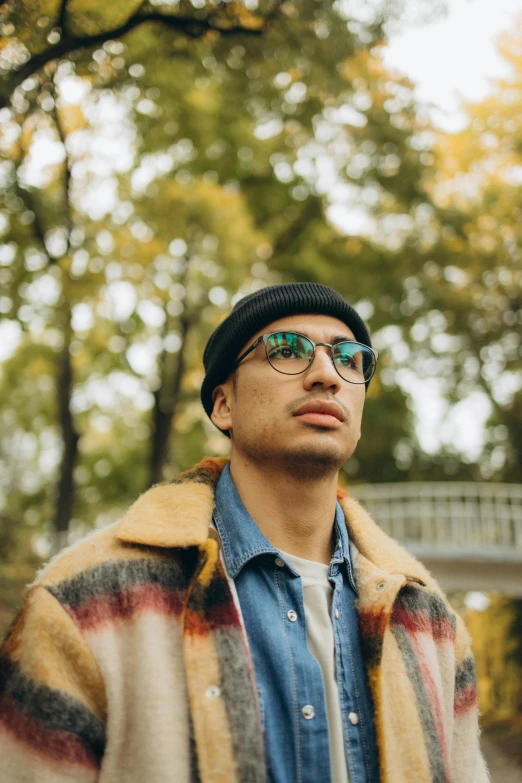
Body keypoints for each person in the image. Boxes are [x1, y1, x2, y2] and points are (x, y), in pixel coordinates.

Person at [0, 282, 489, 783]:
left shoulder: (430, 622)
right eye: (286, 350)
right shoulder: (86, 603)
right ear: (223, 405)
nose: (327, 374)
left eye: (350, 359)